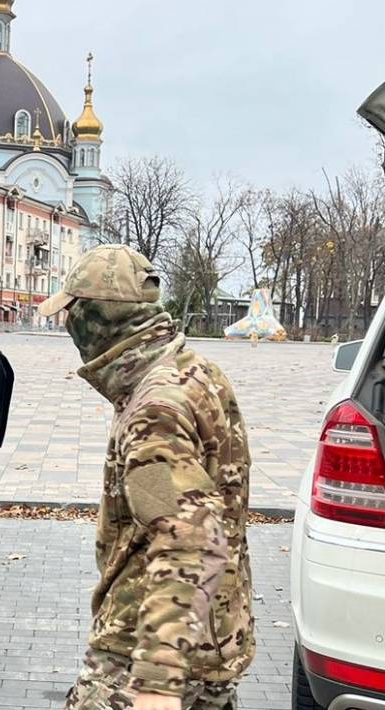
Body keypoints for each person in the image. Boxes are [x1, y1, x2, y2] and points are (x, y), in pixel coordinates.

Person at [37, 245, 255, 710]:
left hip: (143, 648)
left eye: (71, 311)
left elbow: (188, 536)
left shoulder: (154, 409)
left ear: (95, 318)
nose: (67, 323)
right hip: (212, 633)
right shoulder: (194, 371)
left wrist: (157, 680)